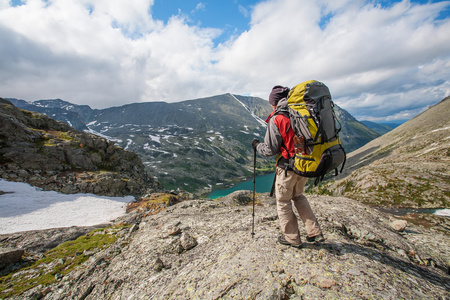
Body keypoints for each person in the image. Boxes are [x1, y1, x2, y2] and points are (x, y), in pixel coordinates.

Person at [252, 85, 324, 248]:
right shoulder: (302, 113)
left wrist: (257, 146)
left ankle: (292, 238)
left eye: (271, 102)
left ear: (275, 102)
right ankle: (314, 232)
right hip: (305, 165)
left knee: (283, 201)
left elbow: (270, 149)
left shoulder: (277, 118)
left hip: (287, 168)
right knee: (298, 196)